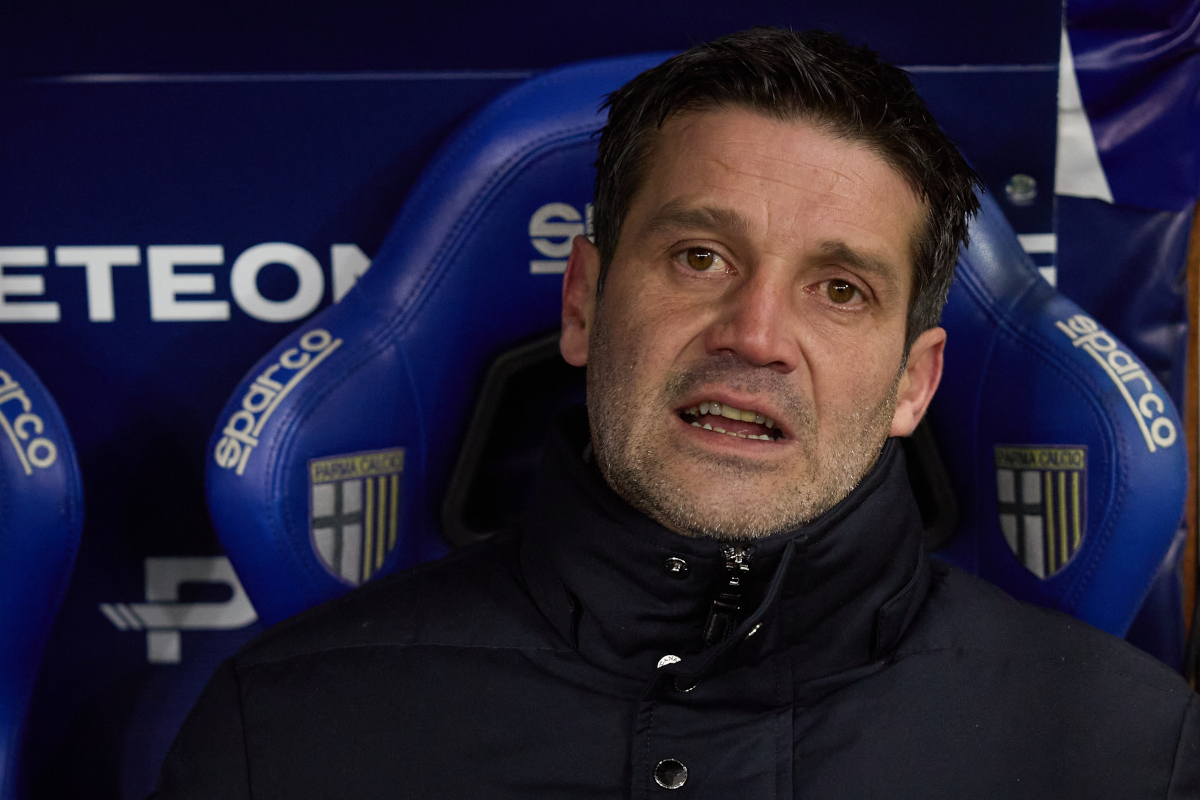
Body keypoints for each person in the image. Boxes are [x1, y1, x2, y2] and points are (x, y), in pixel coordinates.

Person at [153, 27, 1199, 799]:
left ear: (914, 383)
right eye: (700, 257)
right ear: (582, 302)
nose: (754, 332)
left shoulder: (1132, 757)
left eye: (840, 289)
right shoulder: (282, 736)